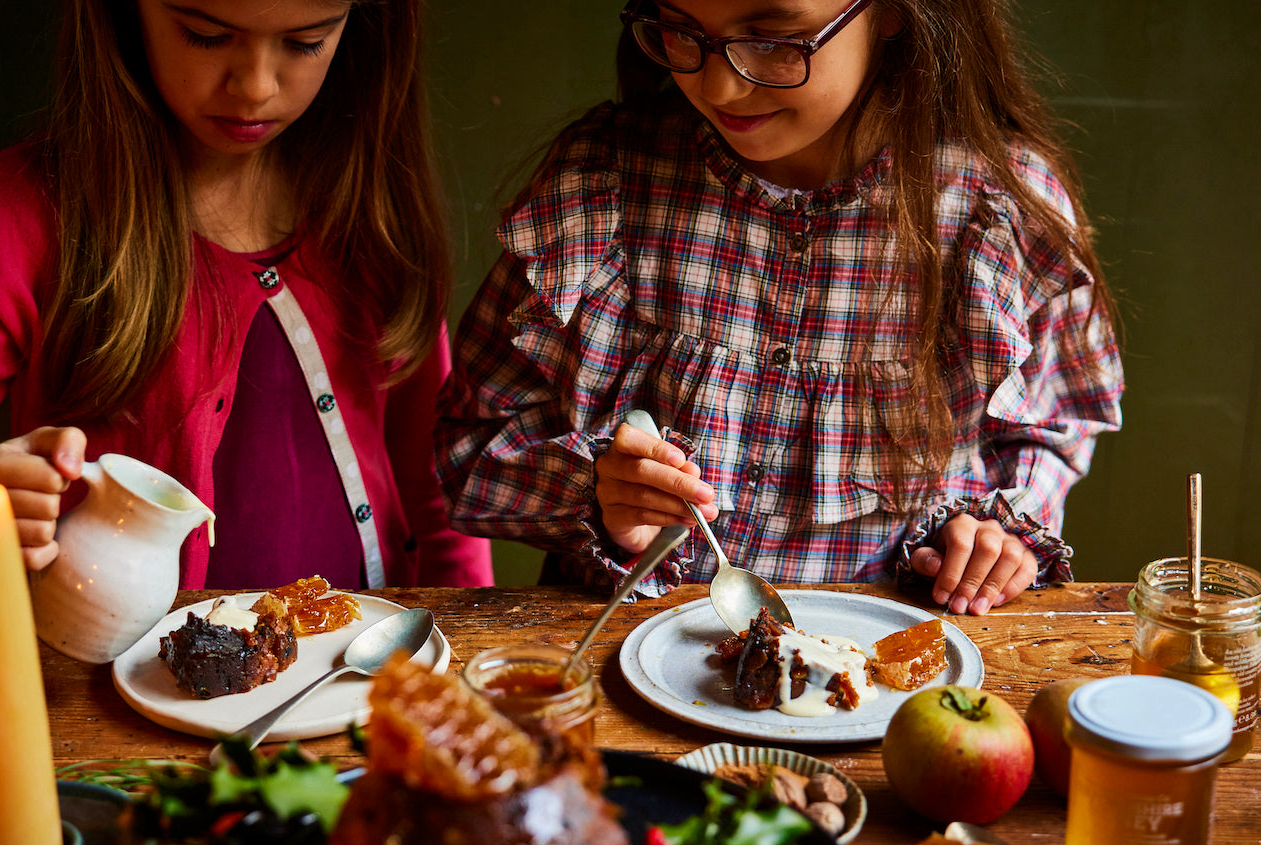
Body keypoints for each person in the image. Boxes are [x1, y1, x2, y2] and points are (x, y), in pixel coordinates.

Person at [435, 0, 1122, 615]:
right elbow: (468, 447)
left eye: (771, 38)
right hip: (616, 662)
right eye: (680, 30)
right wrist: (595, 494)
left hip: (883, 679)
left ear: (892, 10)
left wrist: (998, 536)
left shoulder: (998, 212)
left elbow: (1054, 430)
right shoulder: (602, 182)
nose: (719, 86)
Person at [0, 0, 492, 599]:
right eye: (206, 35)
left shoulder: (370, 212)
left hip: (369, 676)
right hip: (118, 697)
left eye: (305, 42)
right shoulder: (29, 212)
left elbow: (437, 482)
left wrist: (465, 645)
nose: (256, 85)